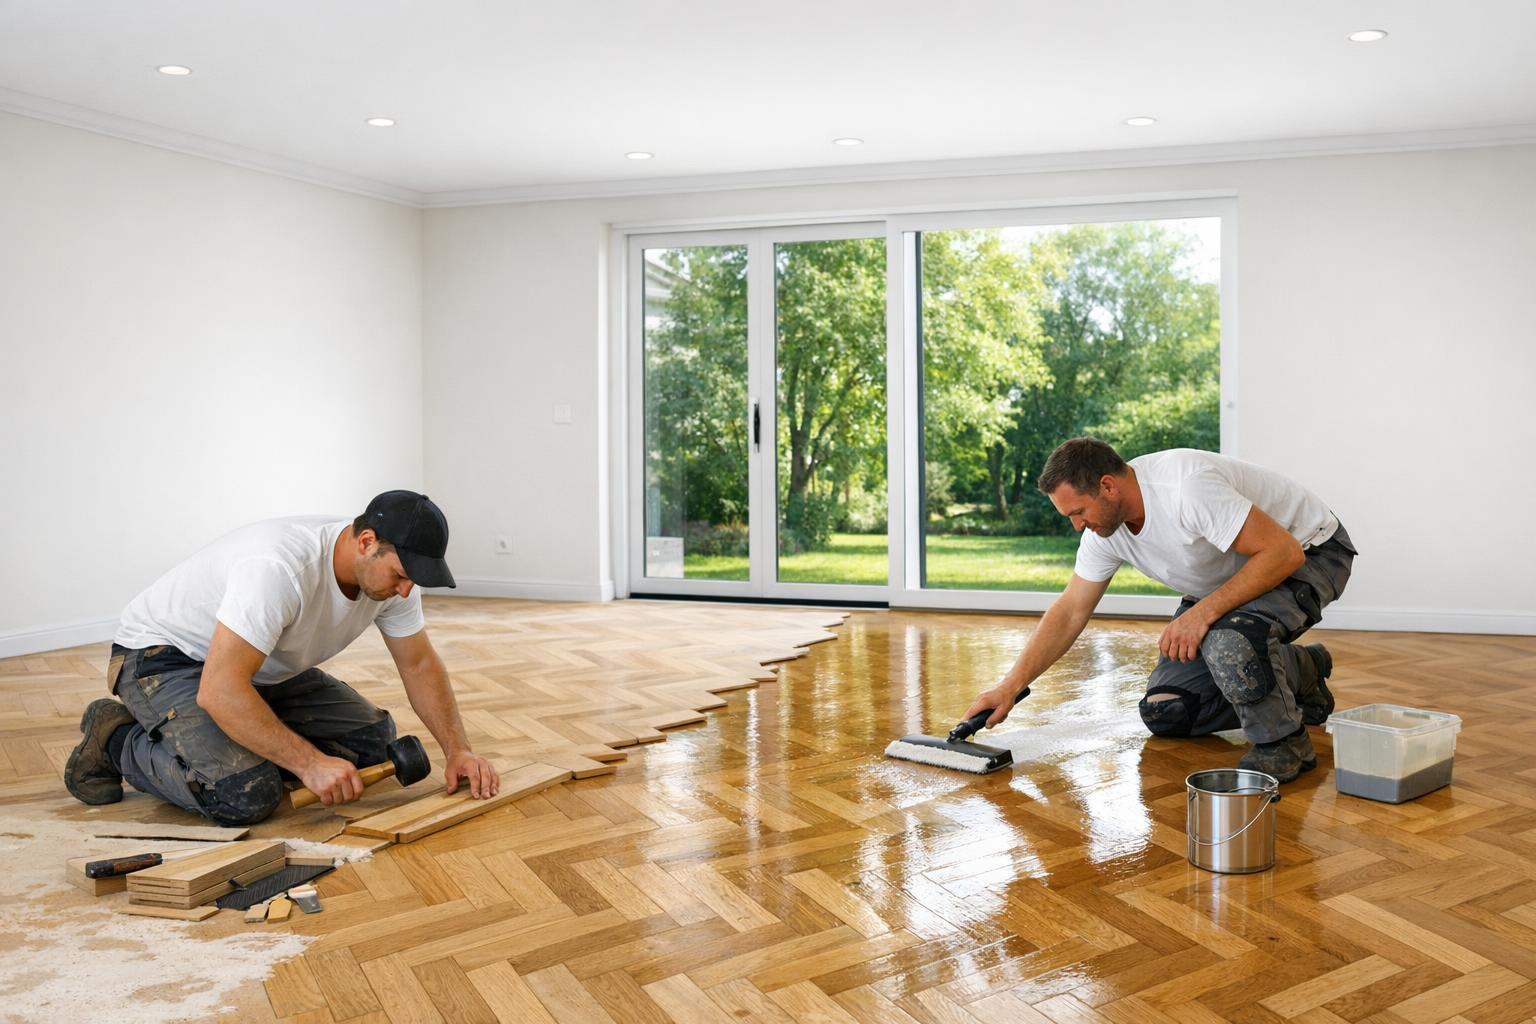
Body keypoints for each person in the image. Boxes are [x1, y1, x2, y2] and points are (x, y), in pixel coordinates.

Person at [64, 490, 501, 824]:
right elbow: (219, 688)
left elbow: (418, 664)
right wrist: (309, 764)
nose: (407, 590)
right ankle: (117, 737)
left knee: (371, 745)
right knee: (245, 793)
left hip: (257, 667)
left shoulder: (392, 580)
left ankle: (246, 735)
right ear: (367, 542)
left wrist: (458, 751)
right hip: (164, 658)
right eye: (402, 576)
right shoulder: (278, 568)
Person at [965, 438, 1356, 782]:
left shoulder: (1185, 488)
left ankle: (1284, 746)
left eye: (1078, 512)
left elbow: (1281, 552)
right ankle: (1303, 670)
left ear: (1108, 486)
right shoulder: (1107, 531)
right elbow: (1070, 610)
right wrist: (1008, 687)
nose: (1076, 525)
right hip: (1231, 575)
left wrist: (1201, 614)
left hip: (1310, 552)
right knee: (1168, 712)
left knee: (1230, 642)